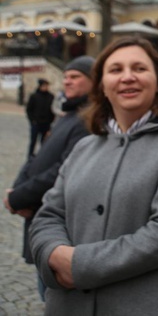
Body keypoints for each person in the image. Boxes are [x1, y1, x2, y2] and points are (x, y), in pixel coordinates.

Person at [29, 36, 158, 315]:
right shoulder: (85, 146)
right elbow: (49, 214)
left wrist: (78, 265)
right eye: (115, 70)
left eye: (139, 68)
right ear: (102, 84)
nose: (127, 77)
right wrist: (51, 253)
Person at [4, 56, 95, 299]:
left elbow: (63, 169)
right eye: (66, 76)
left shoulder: (89, 119)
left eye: (75, 77)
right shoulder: (68, 114)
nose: (67, 81)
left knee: (55, 295)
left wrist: (21, 197)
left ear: (94, 82)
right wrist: (17, 192)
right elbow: (38, 156)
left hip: (57, 219)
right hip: (36, 210)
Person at [26, 78, 55, 158]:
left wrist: (51, 120)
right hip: (36, 123)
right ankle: (30, 155)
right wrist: (32, 120)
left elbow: (52, 110)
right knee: (33, 141)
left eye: (47, 86)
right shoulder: (34, 96)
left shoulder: (51, 96)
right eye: (44, 86)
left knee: (44, 141)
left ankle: (42, 156)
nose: (46, 87)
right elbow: (29, 109)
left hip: (46, 123)